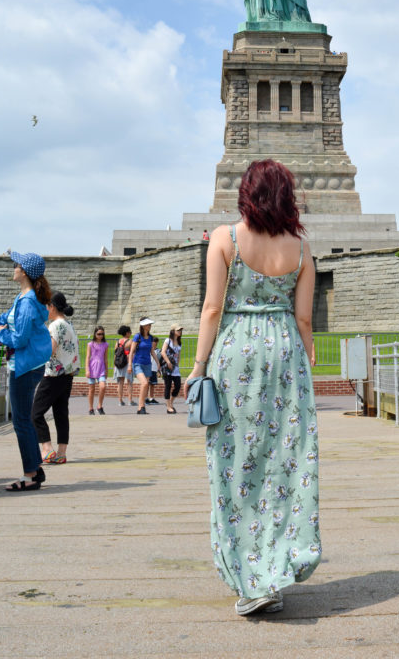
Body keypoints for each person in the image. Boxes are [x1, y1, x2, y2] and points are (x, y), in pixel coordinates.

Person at [184, 159, 321, 617]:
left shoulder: (224, 238)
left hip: (236, 354)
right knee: (286, 462)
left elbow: (211, 308)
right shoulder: (302, 250)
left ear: (246, 193)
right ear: (287, 196)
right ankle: (276, 570)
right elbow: (305, 319)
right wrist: (308, 357)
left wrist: (199, 365)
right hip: (285, 355)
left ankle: (250, 578)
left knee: (235, 464)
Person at [0, 251, 52, 491]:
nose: (14, 267)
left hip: (24, 367)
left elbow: (18, 337)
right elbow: (4, 319)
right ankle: (35, 470)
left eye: (16, 265)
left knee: (21, 421)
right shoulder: (24, 297)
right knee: (23, 419)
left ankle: (30, 476)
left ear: (25, 272)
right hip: (27, 365)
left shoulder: (28, 301)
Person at [32, 292, 80, 464]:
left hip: (53, 374)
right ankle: (61, 453)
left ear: (51, 306)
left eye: (46, 306)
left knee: (35, 413)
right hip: (67, 375)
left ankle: (47, 448)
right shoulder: (69, 325)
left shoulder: (54, 326)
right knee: (61, 413)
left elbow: (49, 350)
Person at [128, 318, 159, 414]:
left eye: (150, 325)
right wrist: (129, 365)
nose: (150, 326)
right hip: (138, 363)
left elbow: (152, 351)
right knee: (144, 383)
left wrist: (158, 363)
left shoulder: (150, 338)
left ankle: (142, 407)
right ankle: (140, 406)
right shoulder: (137, 337)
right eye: (148, 325)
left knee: (145, 386)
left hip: (148, 364)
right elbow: (131, 351)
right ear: (143, 326)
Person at [86, 325, 109, 414]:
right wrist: (87, 370)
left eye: (102, 334)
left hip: (101, 368)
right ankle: (90, 408)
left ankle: (99, 406)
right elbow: (87, 357)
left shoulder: (105, 344)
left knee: (103, 387)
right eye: (99, 334)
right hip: (92, 368)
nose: (100, 336)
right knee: (91, 389)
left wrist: (106, 370)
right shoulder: (90, 344)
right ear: (95, 334)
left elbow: (106, 358)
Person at [161, 326, 182, 413]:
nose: (180, 331)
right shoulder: (168, 340)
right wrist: (168, 362)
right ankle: (169, 407)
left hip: (175, 367)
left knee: (178, 385)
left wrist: (178, 363)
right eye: (178, 330)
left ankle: (170, 403)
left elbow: (179, 354)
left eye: (181, 330)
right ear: (173, 331)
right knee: (168, 386)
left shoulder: (179, 342)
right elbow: (163, 352)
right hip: (168, 366)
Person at [114, 324, 134, 406]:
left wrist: (115, 364)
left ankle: (120, 401)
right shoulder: (130, 341)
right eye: (130, 332)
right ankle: (130, 400)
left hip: (119, 363)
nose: (131, 333)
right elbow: (132, 353)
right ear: (127, 333)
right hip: (127, 363)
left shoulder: (118, 342)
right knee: (129, 382)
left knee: (120, 383)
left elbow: (115, 354)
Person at [146, 336, 162, 405]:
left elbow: (160, 361)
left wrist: (159, 371)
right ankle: (146, 398)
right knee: (146, 384)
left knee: (152, 384)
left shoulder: (159, 351)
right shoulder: (147, 350)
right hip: (148, 369)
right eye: (153, 342)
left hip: (154, 369)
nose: (154, 343)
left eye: (156, 342)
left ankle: (151, 398)